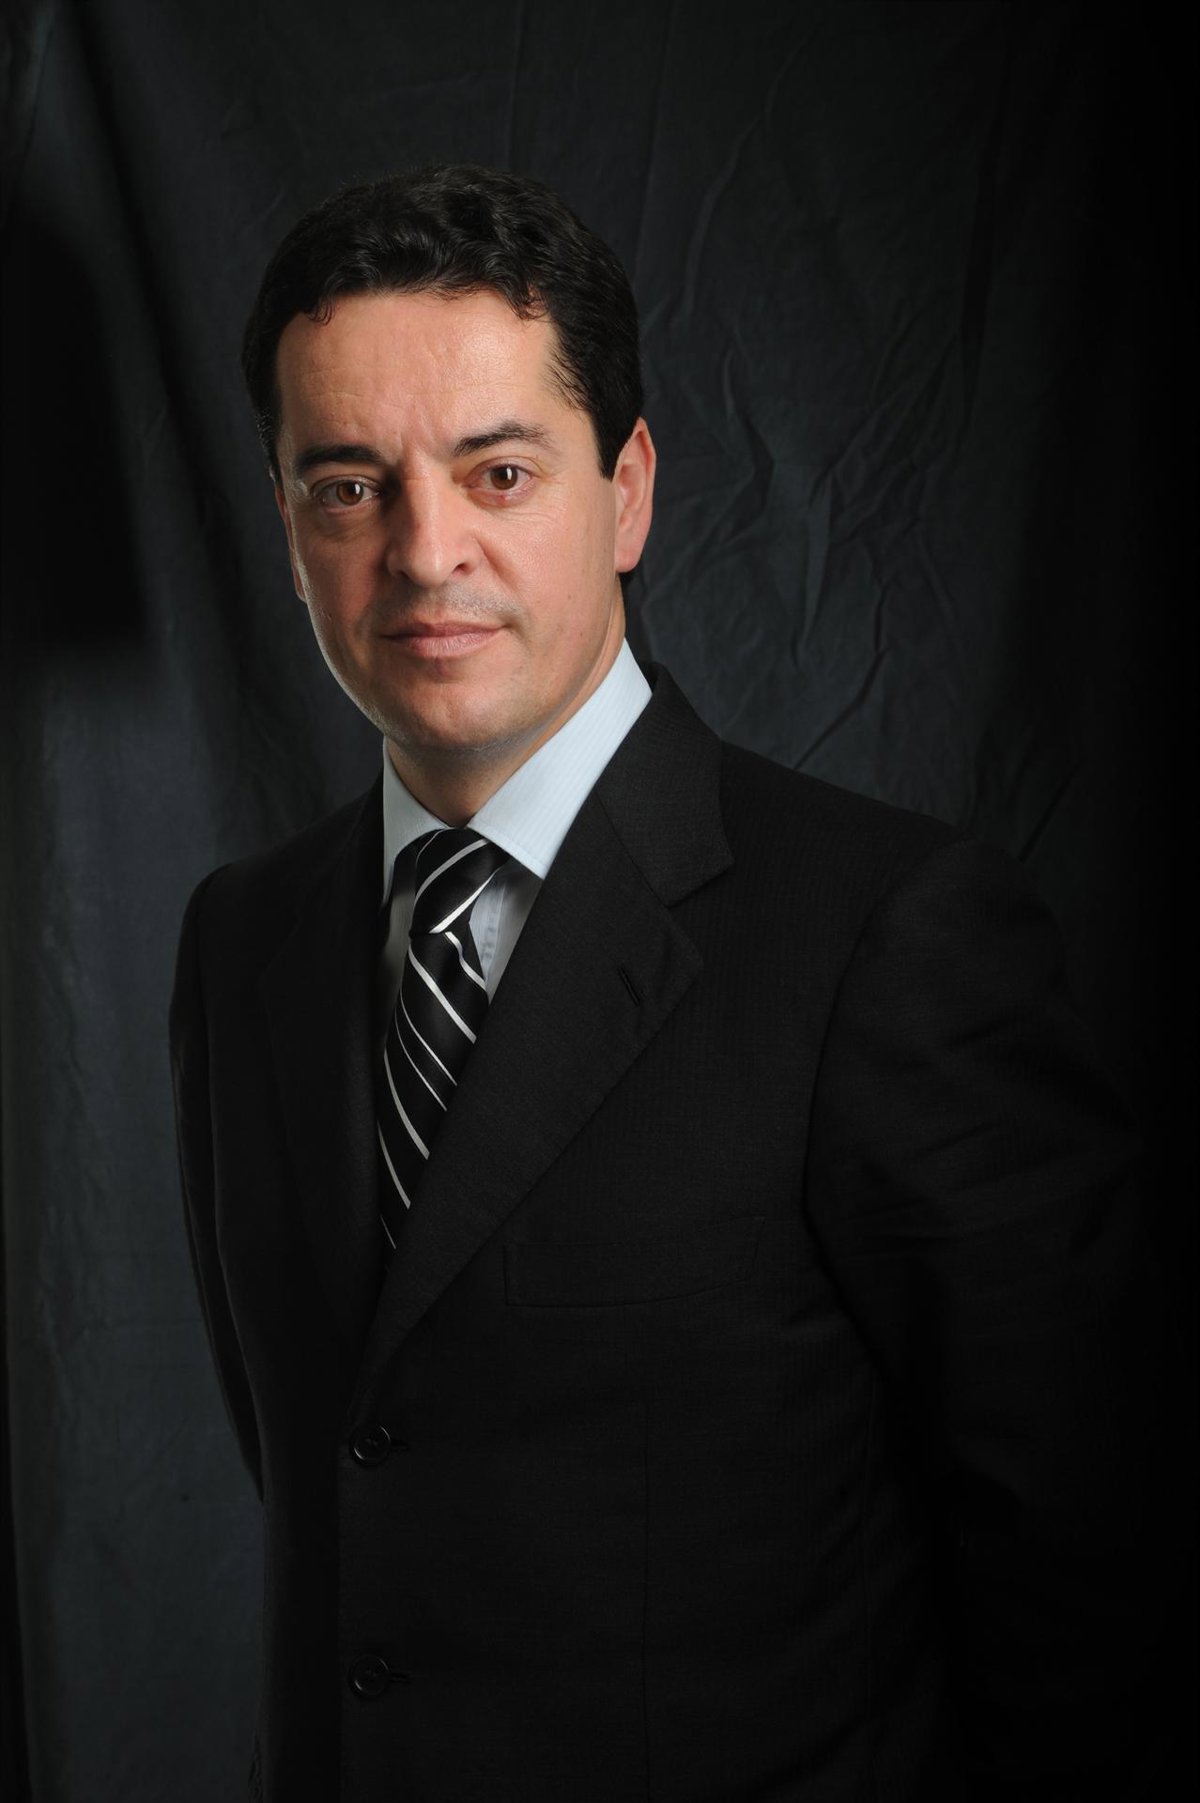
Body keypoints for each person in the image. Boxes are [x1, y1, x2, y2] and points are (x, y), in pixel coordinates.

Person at [170, 164, 1172, 1803]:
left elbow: (1086, 1590)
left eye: (500, 472)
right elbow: (345, 1482)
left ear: (627, 492)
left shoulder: (885, 935)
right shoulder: (242, 945)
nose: (426, 551)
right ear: (287, 528)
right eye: (348, 485)